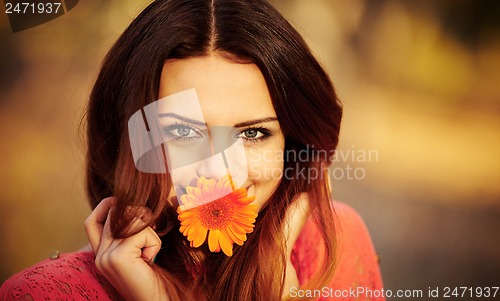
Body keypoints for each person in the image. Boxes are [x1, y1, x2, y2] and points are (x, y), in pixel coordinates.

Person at [0, 0, 384, 300]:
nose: (220, 172)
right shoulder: (45, 294)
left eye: (253, 134)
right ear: (128, 140)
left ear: (293, 144)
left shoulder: (330, 244)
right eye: (184, 132)